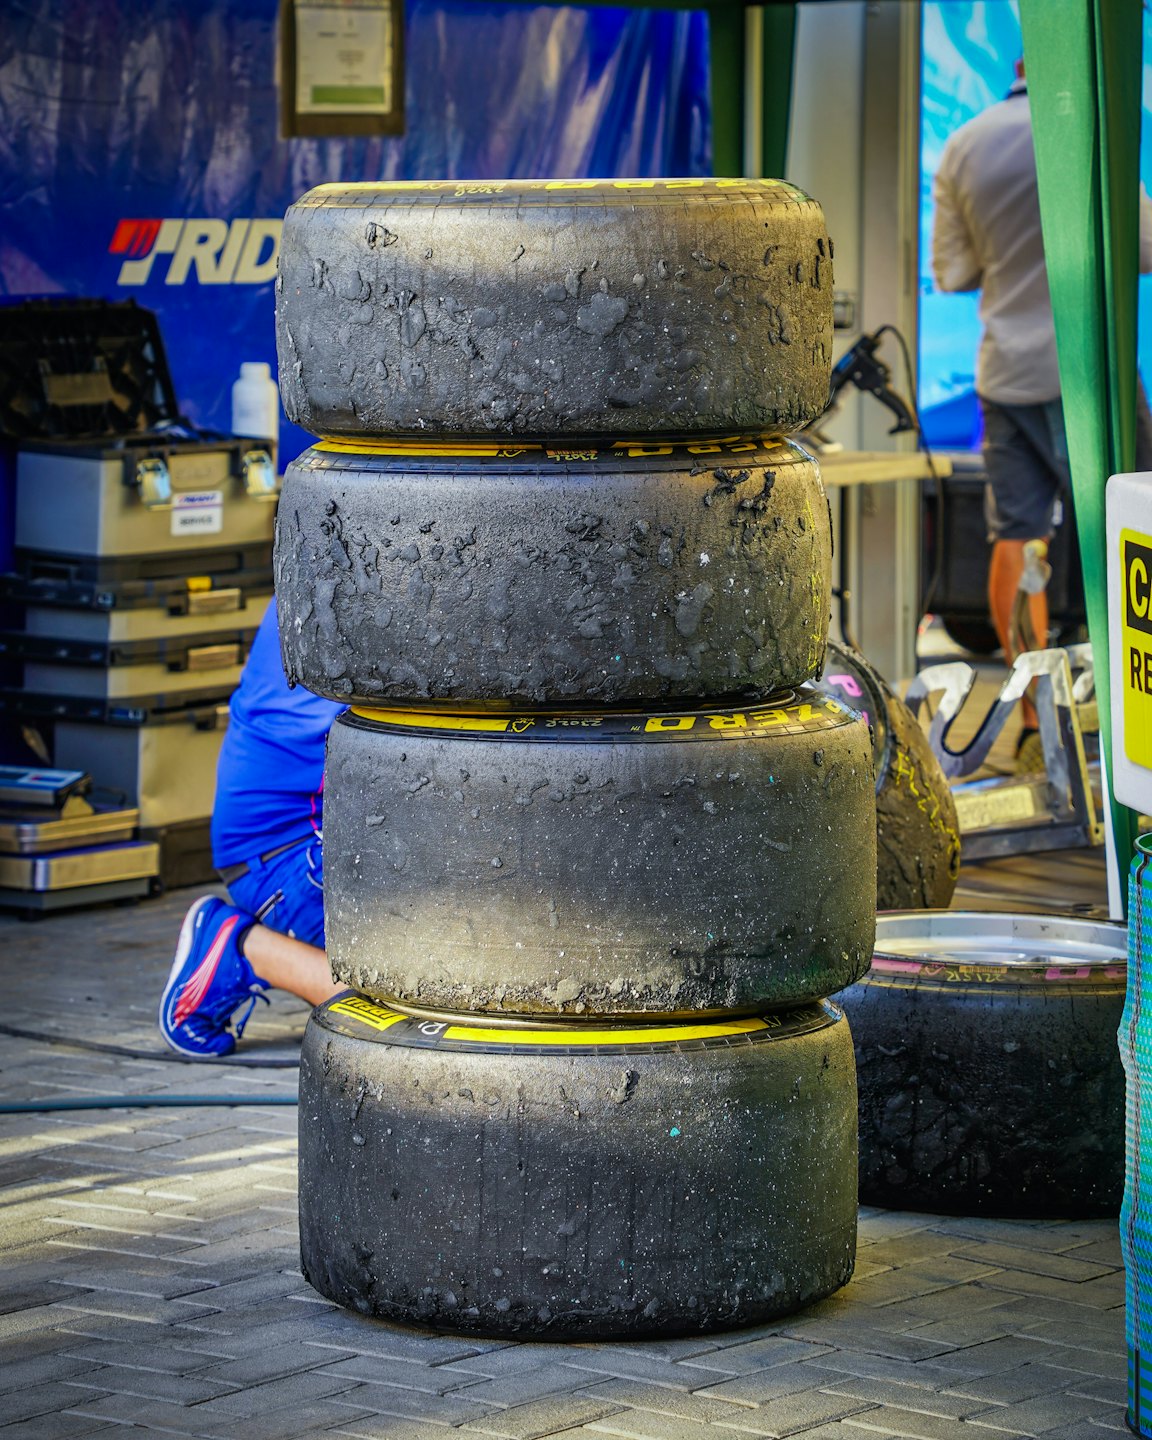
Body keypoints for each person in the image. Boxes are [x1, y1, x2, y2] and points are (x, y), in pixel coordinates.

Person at [932, 59, 1152, 766]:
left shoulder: (964, 143)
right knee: (1130, 527)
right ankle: (1136, 716)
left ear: (1016, 64)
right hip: (1084, 371)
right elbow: (1145, 246)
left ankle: (1035, 717)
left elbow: (952, 273)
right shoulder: (1085, 130)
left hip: (1005, 375)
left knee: (1019, 538)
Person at [158, 599, 346, 1057]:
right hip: (288, 850)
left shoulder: (318, 569)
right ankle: (240, 949)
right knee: (421, 1016)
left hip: (276, 838)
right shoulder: (387, 590)